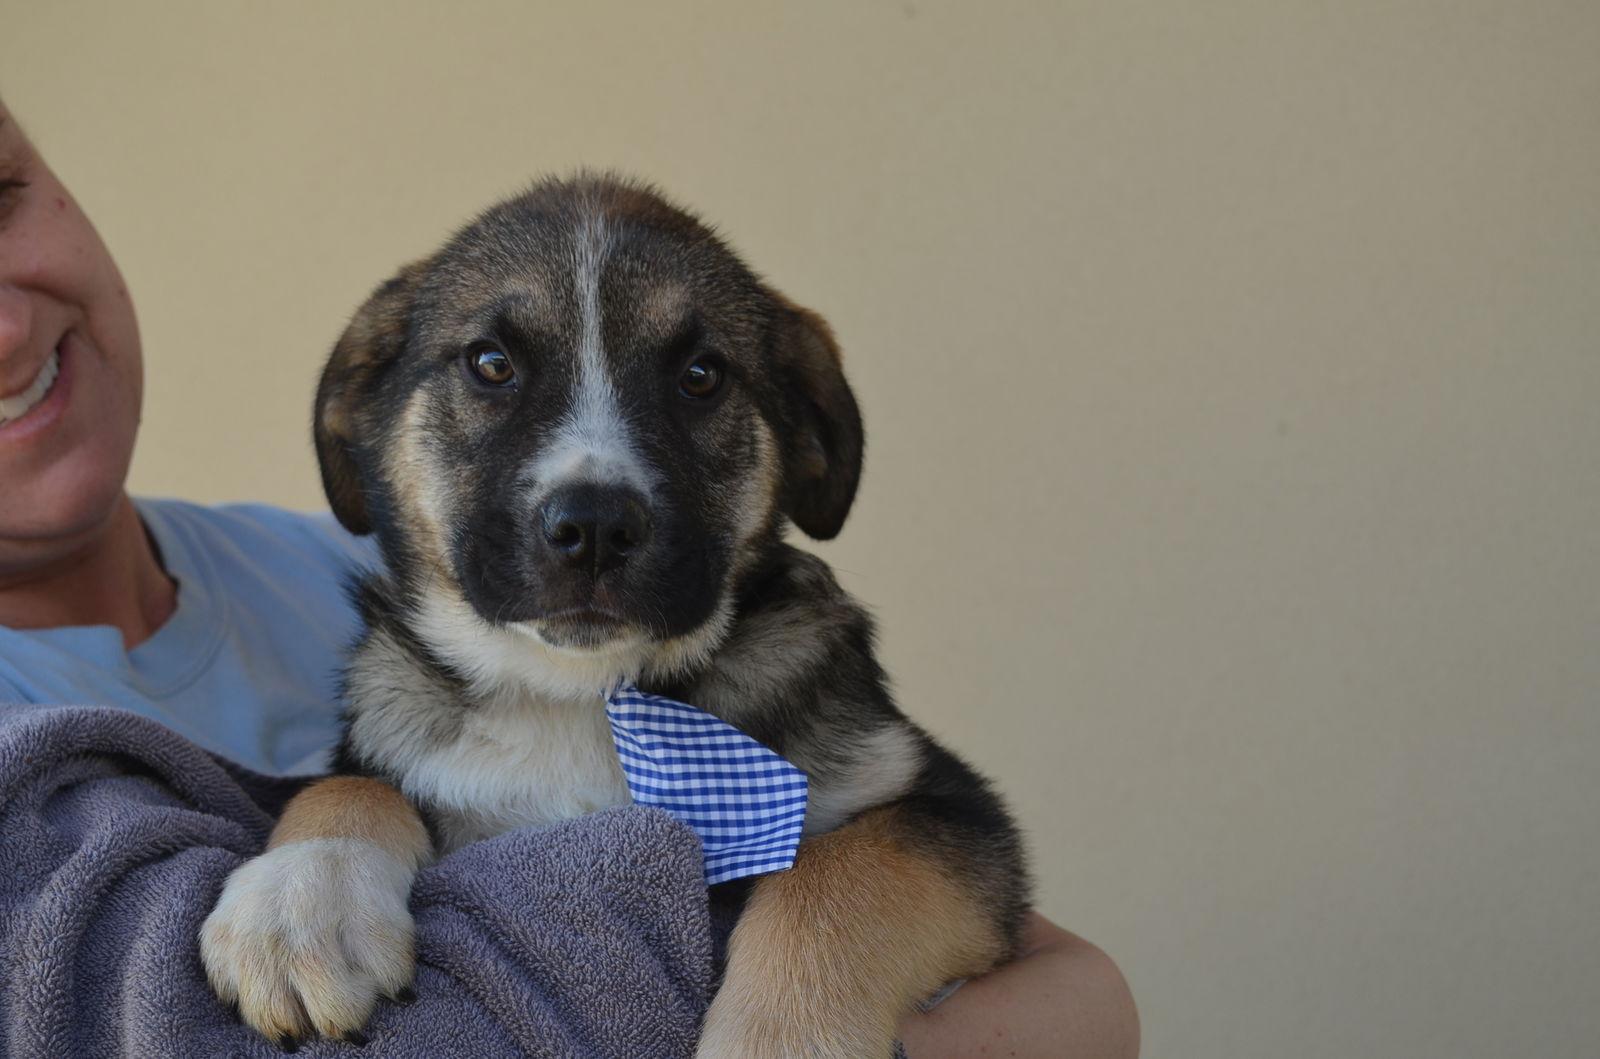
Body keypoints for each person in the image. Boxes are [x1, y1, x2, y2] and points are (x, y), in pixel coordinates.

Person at [0, 100, 1139, 1058]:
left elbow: (1022, 934)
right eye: (494, 368)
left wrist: (814, 996)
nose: (592, 488)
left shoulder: (296, 569)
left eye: (696, 378)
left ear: (806, 445)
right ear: (368, 421)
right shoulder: (380, 719)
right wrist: (339, 827)